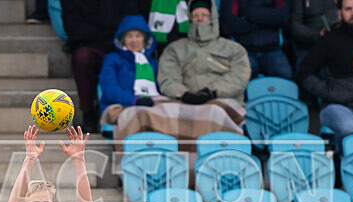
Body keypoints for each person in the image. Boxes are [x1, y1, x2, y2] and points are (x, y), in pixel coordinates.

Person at [153, 0, 251, 141]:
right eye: (195, 15)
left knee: (214, 112)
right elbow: (168, 78)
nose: (200, 18)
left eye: (204, 14)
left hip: (222, 101)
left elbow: (238, 79)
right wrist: (183, 93)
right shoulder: (174, 49)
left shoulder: (234, 49)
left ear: (212, 17)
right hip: (186, 101)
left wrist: (211, 92)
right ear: (190, 18)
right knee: (153, 109)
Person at [296, 0, 353, 150]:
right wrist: (327, 93)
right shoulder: (329, 40)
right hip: (336, 106)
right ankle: (344, 169)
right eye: (348, 9)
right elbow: (305, 72)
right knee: (348, 127)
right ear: (339, 12)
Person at [62, 0, 139, 132]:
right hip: (91, 47)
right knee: (82, 57)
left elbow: (130, 20)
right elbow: (74, 28)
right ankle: (88, 112)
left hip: (119, 48)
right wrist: (107, 34)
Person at [99, 15, 162, 132]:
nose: (134, 40)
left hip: (150, 104)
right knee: (140, 115)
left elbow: (160, 89)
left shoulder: (152, 62)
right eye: (129, 36)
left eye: (138, 36)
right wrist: (134, 100)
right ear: (122, 39)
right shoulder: (112, 59)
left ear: (145, 39)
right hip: (121, 105)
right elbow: (109, 89)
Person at [220, 0, 292, 79]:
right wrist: (265, 21)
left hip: (272, 49)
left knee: (286, 79)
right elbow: (229, 26)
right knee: (240, 82)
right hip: (243, 49)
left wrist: (248, 13)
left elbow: (282, 18)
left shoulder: (247, 11)